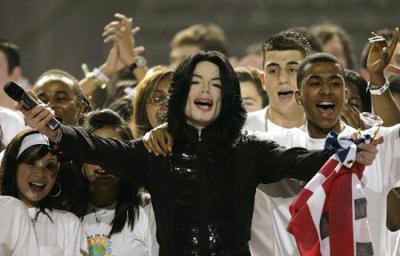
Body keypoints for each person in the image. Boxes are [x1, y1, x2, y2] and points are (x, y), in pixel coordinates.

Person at [19, 51, 377, 256]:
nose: (206, 90)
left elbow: (299, 160)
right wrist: (52, 127)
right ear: (182, 93)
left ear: (227, 98)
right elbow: (98, 147)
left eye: (216, 84)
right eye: (197, 82)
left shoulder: (248, 151)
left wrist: (350, 151)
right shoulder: (156, 151)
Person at [80, 109, 158, 256]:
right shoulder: (67, 212)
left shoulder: (148, 210)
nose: (103, 165)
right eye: (94, 153)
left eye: (112, 155)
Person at [0, 129, 87, 255]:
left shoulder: (68, 224)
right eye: (31, 163)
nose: (40, 174)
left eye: (49, 166)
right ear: (14, 167)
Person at [130, 66, 173, 138]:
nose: (167, 105)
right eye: (157, 99)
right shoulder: (129, 148)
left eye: (175, 98)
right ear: (143, 108)